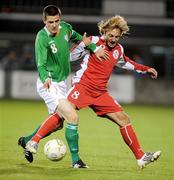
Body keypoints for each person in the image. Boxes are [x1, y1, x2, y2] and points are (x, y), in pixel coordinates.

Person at [20, 15, 161, 169]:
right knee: (61, 117)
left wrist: (146, 69)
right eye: (110, 35)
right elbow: (69, 57)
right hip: (82, 87)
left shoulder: (118, 50)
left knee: (124, 119)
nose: (113, 39)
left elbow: (127, 63)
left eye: (117, 37)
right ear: (105, 32)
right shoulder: (93, 41)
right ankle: (32, 141)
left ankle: (140, 157)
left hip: (100, 93)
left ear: (121, 36)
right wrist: (82, 45)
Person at [18, 5, 108, 167]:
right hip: (49, 83)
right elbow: (41, 64)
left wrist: (93, 47)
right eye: (50, 22)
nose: (54, 25)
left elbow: (78, 37)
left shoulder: (65, 28)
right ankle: (74, 160)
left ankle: (26, 140)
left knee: (58, 123)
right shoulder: (42, 37)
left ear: (60, 19)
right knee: (72, 116)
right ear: (44, 20)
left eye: (56, 21)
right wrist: (45, 78)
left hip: (61, 83)